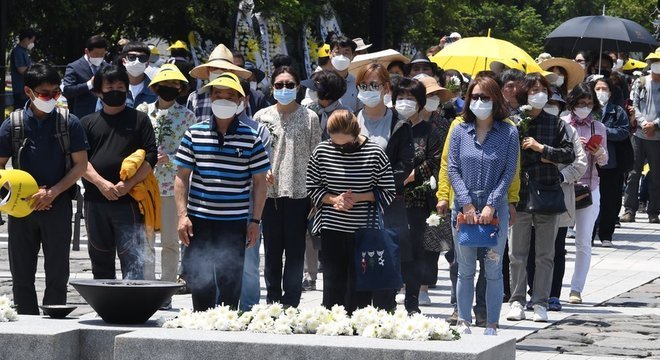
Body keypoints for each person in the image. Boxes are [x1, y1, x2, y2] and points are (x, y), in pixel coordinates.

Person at [174, 72, 269, 311]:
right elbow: (181, 177)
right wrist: (182, 216)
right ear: (210, 98)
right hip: (199, 220)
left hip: (234, 221)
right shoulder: (194, 133)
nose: (223, 100)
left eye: (230, 96)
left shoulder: (251, 137)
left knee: (230, 284)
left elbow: (260, 182)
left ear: (240, 101)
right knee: (200, 282)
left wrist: (255, 220)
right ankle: (200, 331)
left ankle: (225, 332)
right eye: (218, 95)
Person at [0, 63, 88, 314]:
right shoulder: (12, 124)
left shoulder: (69, 123)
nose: (52, 98)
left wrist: (53, 192)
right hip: (21, 208)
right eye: (44, 94)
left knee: (58, 271)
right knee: (21, 272)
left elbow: (81, 165)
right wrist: (23, 192)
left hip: (57, 206)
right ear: (28, 91)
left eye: (56, 92)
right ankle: (27, 320)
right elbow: (0, 168)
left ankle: (54, 318)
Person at [447, 76, 519, 335]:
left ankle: (491, 323)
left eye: (485, 97)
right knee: (464, 268)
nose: (479, 102)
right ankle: (463, 320)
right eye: (474, 97)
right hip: (464, 207)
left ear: (496, 99)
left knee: (493, 268)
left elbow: (509, 171)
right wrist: (466, 204)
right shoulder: (458, 130)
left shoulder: (509, 131)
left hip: (494, 207)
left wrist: (491, 204)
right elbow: (452, 167)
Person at [306, 110, 396, 313]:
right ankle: (332, 324)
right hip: (331, 227)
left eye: (345, 144)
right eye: (335, 143)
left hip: (365, 230)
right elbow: (312, 187)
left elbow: (388, 191)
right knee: (333, 281)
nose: (340, 148)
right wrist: (334, 199)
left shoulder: (374, 153)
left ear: (356, 134)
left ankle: (358, 323)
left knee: (360, 284)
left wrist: (358, 197)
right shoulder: (321, 151)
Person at [507, 72, 575, 323]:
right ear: (524, 93)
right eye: (534, 90)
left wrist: (542, 150)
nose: (540, 94)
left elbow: (569, 153)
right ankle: (516, 300)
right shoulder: (513, 122)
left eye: (543, 90)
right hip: (519, 195)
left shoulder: (555, 123)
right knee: (517, 252)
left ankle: (540, 302)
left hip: (547, 193)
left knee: (545, 253)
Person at [81, 65, 158, 280]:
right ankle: (106, 307)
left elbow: (150, 156)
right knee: (100, 257)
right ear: (99, 91)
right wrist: (101, 184)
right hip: (96, 200)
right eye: (110, 86)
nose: (115, 90)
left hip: (130, 200)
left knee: (133, 260)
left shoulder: (140, 119)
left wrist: (128, 184)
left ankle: (133, 308)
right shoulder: (86, 122)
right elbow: (80, 160)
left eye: (120, 86)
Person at [254, 66, 322, 307]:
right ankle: (272, 299)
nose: (285, 88)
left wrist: (316, 195)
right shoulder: (261, 117)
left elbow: (317, 155)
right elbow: (254, 153)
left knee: (295, 251)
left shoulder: (310, 117)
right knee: (272, 251)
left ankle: (291, 301)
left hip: (299, 192)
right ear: (272, 88)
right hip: (268, 192)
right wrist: (262, 171)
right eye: (280, 84)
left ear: (298, 87)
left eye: (290, 84)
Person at [135, 64, 196, 307]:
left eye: (174, 86)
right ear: (156, 87)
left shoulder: (188, 116)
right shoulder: (142, 111)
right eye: (165, 85)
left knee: (171, 241)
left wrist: (169, 158)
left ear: (181, 88)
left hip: (173, 186)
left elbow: (191, 152)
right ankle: (148, 288)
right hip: (144, 185)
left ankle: (166, 292)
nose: (169, 89)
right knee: (146, 240)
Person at [355, 62, 414, 311]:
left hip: (387, 206)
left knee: (384, 268)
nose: (368, 90)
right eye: (363, 85)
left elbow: (405, 165)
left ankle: (384, 318)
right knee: (356, 272)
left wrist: (377, 185)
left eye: (374, 85)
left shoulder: (400, 124)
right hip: (354, 207)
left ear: (386, 88)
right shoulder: (350, 119)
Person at [393, 77, 441, 314]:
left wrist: (410, 176)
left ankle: (413, 299)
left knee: (415, 251)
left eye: (410, 99)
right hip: (389, 199)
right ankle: (387, 298)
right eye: (400, 98)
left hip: (418, 201)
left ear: (421, 102)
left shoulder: (430, 131)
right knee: (392, 248)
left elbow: (434, 161)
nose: (404, 103)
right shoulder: (391, 127)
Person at [562, 83, 608, 304]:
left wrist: (598, 151)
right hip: (564, 187)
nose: (585, 108)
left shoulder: (598, 127)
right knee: (555, 240)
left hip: (589, 188)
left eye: (589, 104)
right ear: (572, 103)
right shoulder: (563, 123)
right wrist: (573, 147)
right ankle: (549, 289)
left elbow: (604, 161)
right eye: (581, 104)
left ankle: (576, 289)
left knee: (583, 241)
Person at [236, 78, 272, 311]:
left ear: (246, 100)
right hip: (217, 204)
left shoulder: (258, 130)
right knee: (218, 260)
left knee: (249, 261)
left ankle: (249, 309)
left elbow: (262, 173)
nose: (228, 103)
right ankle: (217, 309)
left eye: (235, 97)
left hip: (248, 202)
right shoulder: (203, 129)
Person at [621, 52, 660, 224]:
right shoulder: (641, 82)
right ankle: (629, 210)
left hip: (657, 137)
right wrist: (644, 122)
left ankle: (654, 211)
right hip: (638, 134)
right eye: (655, 61)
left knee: (656, 175)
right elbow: (633, 105)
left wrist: (655, 124)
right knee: (633, 173)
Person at [593, 78, 631, 247]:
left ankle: (606, 234)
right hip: (590, 163)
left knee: (610, 199)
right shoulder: (589, 110)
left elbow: (623, 132)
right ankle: (588, 231)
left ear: (610, 92)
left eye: (604, 88)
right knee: (590, 200)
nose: (601, 91)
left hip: (612, 162)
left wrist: (603, 130)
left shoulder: (617, 111)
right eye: (597, 88)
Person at [186, 44, 252, 122]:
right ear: (208, 71)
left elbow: (248, 124)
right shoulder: (194, 98)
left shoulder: (240, 97)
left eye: (224, 69)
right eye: (215, 68)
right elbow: (189, 127)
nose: (219, 71)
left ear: (231, 72)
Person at [63, 35, 109, 119]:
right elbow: (67, 91)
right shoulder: (74, 67)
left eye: (102, 55)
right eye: (96, 54)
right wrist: (89, 84)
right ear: (87, 51)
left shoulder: (107, 67)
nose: (99, 57)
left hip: (105, 115)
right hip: (83, 116)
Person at [301, 70, 348, 140]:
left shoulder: (344, 116)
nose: (309, 90)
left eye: (314, 89)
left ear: (326, 94)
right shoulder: (307, 109)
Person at [325, 35, 358, 112]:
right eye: (338, 52)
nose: (341, 56)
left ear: (353, 56)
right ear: (330, 54)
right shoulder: (320, 80)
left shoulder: (357, 83)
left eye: (346, 52)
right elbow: (308, 103)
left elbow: (361, 109)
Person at [10, 29, 36, 108]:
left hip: (25, 90)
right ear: (26, 39)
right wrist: (34, 67)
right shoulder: (17, 51)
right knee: (20, 115)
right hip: (20, 90)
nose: (32, 43)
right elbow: (21, 70)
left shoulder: (24, 51)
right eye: (31, 41)